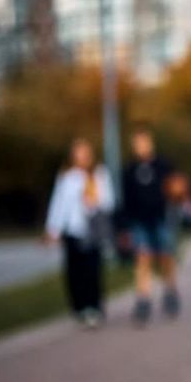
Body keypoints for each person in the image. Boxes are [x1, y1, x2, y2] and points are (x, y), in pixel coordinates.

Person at [44, 138, 114, 329]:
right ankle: (79, 307)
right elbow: (58, 204)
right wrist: (53, 228)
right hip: (73, 231)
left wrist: (94, 201)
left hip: (92, 231)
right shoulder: (67, 177)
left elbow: (108, 202)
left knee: (92, 271)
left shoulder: (99, 175)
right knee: (74, 272)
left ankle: (94, 306)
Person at [121, 125, 179, 326]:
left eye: (144, 141)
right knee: (143, 258)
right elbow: (126, 200)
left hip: (161, 218)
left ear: (150, 142)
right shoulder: (129, 170)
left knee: (165, 257)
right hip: (139, 221)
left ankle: (170, 291)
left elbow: (175, 188)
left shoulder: (163, 165)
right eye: (137, 143)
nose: (141, 146)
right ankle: (143, 299)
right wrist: (124, 226)